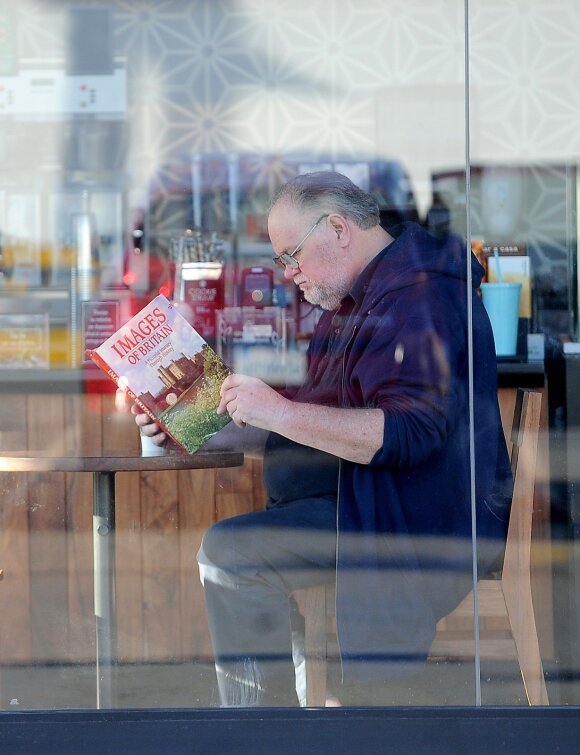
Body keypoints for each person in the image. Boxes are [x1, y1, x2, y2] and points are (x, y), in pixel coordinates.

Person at [133, 171, 512, 707]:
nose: (289, 275)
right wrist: (192, 427)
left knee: (231, 554)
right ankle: (294, 722)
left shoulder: (419, 297)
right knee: (235, 550)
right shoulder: (357, 300)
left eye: (292, 256)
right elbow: (314, 425)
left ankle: (264, 739)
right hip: (357, 502)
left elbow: (408, 432)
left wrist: (281, 411)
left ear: (337, 228)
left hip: (409, 517)